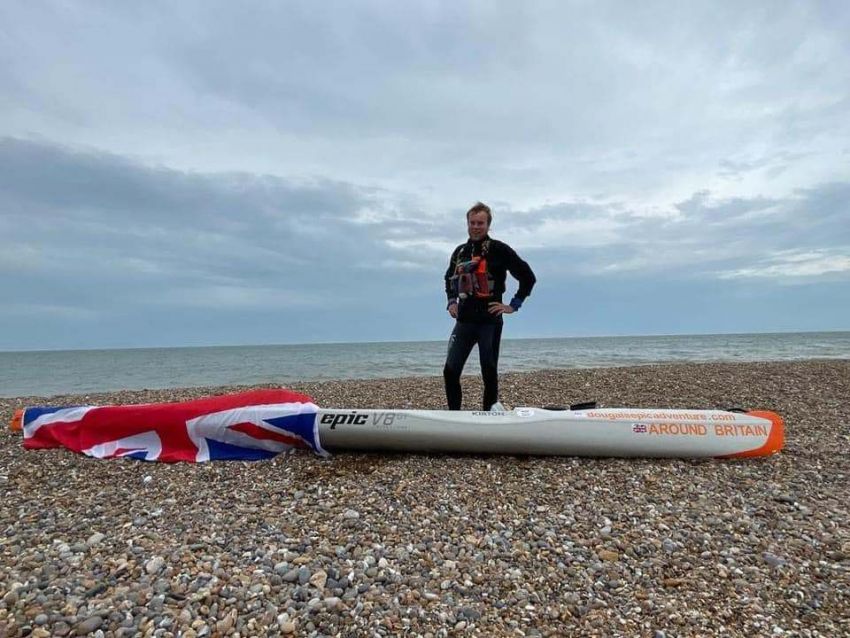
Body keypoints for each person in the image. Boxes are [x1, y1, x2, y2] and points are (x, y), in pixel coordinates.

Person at [443, 202, 536, 410]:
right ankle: (454, 417)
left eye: (481, 223)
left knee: (489, 372)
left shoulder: (499, 250)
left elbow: (528, 277)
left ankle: (489, 417)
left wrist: (513, 305)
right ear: (467, 224)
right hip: (464, 321)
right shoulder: (460, 252)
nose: (476, 227)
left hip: (489, 322)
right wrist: (451, 301)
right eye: (472, 222)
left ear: (488, 225)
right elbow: (449, 279)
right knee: (450, 371)